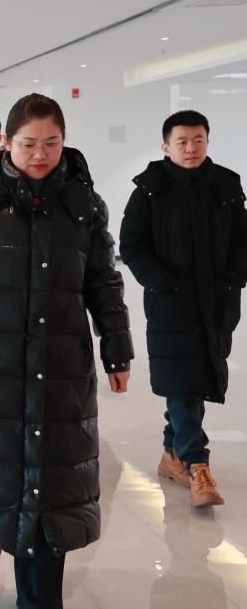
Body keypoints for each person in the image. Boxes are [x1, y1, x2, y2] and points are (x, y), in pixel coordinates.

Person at [0, 93, 133, 608]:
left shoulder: (84, 206)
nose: (39, 154)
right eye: (27, 144)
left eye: (51, 143)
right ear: (6, 143)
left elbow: (103, 282)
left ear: (64, 142)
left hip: (61, 364)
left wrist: (117, 348)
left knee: (49, 490)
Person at [119, 109, 247, 508]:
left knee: (196, 378)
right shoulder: (149, 190)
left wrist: (234, 277)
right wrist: (161, 282)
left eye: (198, 140)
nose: (191, 148)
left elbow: (243, 238)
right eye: (182, 141)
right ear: (166, 146)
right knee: (182, 383)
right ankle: (196, 465)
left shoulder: (225, 185)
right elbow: (132, 244)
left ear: (207, 141)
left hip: (217, 303)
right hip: (171, 304)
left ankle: (171, 454)